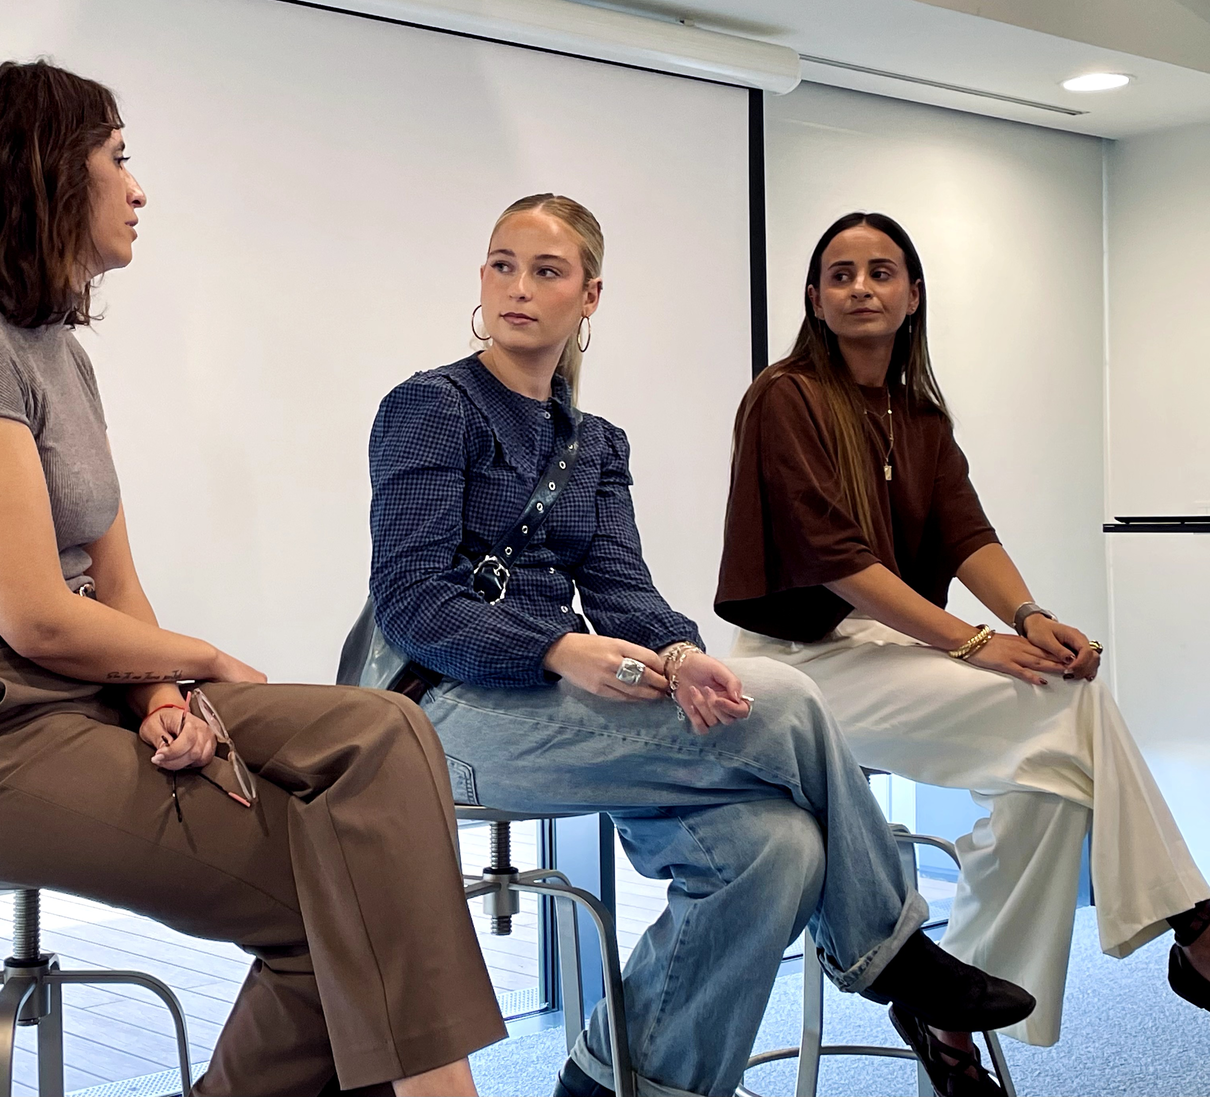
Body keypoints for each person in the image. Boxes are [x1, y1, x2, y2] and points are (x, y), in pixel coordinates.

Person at [0, 60, 505, 1097]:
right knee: (342, 903)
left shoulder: (60, 357)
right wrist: (198, 658)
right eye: (117, 158)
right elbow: (36, 616)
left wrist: (165, 692)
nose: (138, 187)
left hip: (79, 705)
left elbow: (112, 585)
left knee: (383, 730)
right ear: (47, 173)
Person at [366, 193, 1035, 1097]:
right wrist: (562, 648)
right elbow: (409, 599)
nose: (517, 288)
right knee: (793, 696)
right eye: (501, 264)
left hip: (548, 710)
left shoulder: (594, 443)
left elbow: (623, 591)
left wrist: (679, 657)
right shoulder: (430, 407)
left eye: (547, 271)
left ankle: (616, 1086)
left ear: (590, 297)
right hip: (437, 719)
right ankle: (890, 950)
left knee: (779, 849)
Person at [716, 210, 1210, 1056]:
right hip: (795, 668)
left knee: (1054, 756)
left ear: (912, 296)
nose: (861, 287)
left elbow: (966, 535)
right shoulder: (783, 398)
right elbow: (836, 561)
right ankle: (1194, 923)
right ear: (814, 299)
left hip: (877, 649)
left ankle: (950, 1020)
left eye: (880, 272)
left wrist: (1031, 619)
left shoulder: (919, 417)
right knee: (1060, 726)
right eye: (840, 274)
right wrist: (973, 643)